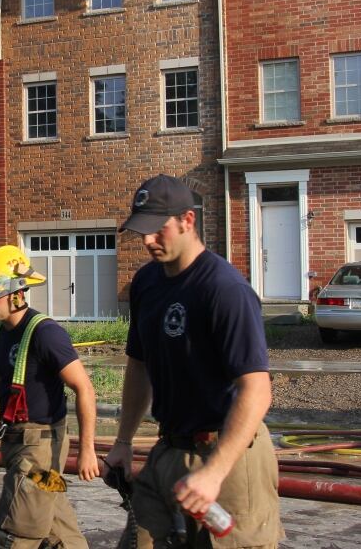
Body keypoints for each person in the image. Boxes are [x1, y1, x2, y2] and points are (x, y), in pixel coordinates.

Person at [104, 174, 283, 548]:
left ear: (188, 220)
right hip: (169, 448)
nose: (148, 241)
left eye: (158, 230)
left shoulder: (224, 290)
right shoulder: (146, 284)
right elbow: (139, 366)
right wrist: (123, 440)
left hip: (228, 455)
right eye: (142, 232)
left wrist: (215, 473)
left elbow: (257, 389)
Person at [0, 244, 99, 549]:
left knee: (11, 534)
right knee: (55, 523)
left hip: (40, 452)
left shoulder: (46, 334)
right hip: (20, 444)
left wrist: (87, 451)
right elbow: (4, 376)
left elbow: (84, 388)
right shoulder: (3, 330)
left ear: (17, 293)